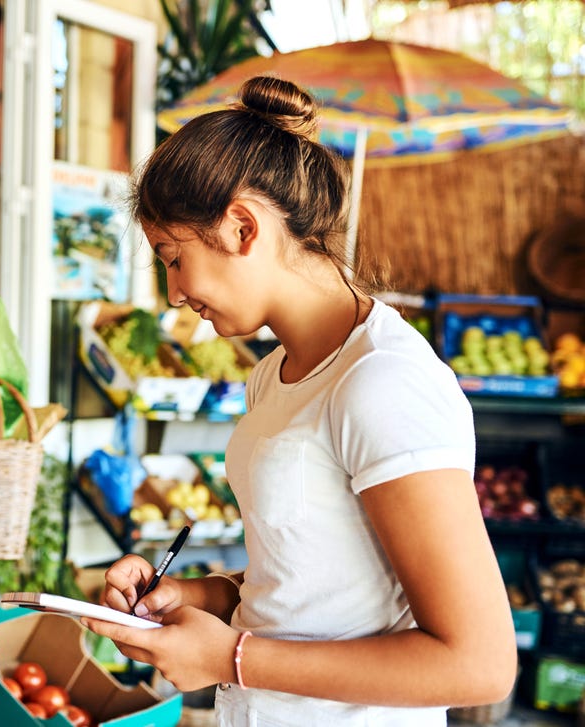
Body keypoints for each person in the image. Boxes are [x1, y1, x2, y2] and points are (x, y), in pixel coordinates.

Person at [81, 75, 516, 726]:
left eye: (173, 257)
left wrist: (231, 658)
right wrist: (192, 594)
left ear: (241, 226)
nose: (173, 292)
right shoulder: (276, 374)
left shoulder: (382, 382)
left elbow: (478, 662)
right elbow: (309, 582)